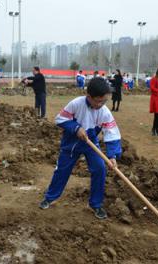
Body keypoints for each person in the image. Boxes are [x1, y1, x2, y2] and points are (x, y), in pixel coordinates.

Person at [39, 77, 121, 219]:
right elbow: (60, 119)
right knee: (62, 170)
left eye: (104, 101)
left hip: (91, 144)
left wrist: (112, 156)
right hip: (71, 143)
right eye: (98, 101)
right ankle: (50, 197)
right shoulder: (76, 104)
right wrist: (76, 128)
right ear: (89, 96)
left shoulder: (105, 111)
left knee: (100, 168)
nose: (101, 104)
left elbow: (112, 133)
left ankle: (95, 204)